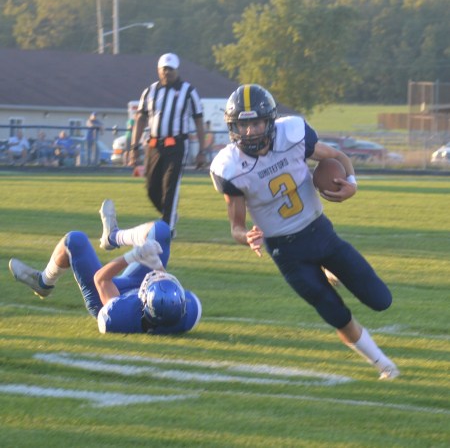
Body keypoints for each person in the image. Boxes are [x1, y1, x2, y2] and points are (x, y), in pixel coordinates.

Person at [210, 84, 399, 380]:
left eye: (256, 123)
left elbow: (337, 156)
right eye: (243, 125)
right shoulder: (229, 167)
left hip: (320, 232)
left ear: (270, 121)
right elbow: (235, 226)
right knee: (334, 313)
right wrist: (245, 236)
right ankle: (384, 365)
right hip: (286, 251)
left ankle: (328, 268)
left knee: (380, 299)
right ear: (233, 127)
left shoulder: (292, 134)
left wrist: (351, 184)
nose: (250, 132)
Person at [8, 199, 202, 335]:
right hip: (141, 292)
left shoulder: (119, 314)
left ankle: (43, 282)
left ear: (142, 302)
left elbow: (101, 279)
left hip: (104, 296)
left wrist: (133, 256)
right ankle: (113, 236)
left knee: (75, 240)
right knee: (161, 230)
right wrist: (158, 267)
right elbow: (165, 299)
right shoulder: (187, 312)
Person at [130, 52, 206, 237]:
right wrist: (133, 147)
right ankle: (170, 215)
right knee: (151, 189)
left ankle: (167, 229)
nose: (167, 72)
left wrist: (202, 151)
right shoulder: (150, 91)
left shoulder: (188, 91)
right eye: (164, 69)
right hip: (154, 145)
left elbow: (198, 121)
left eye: (171, 69)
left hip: (177, 145)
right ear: (158, 70)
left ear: (177, 70)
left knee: (170, 187)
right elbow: (140, 119)